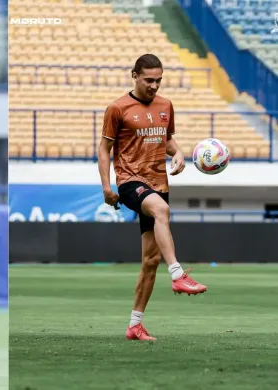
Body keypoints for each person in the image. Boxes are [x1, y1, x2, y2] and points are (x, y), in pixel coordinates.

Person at [98, 54, 207, 342]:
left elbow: (166, 139)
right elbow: (104, 150)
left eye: (159, 80)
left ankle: (135, 325)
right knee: (161, 211)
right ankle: (178, 274)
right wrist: (106, 187)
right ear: (134, 75)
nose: (155, 85)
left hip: (160, 182)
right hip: (131, 181)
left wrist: (180, 152)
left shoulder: (165, 105)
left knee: (149, 260)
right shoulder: (117, 108)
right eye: (149, 80)